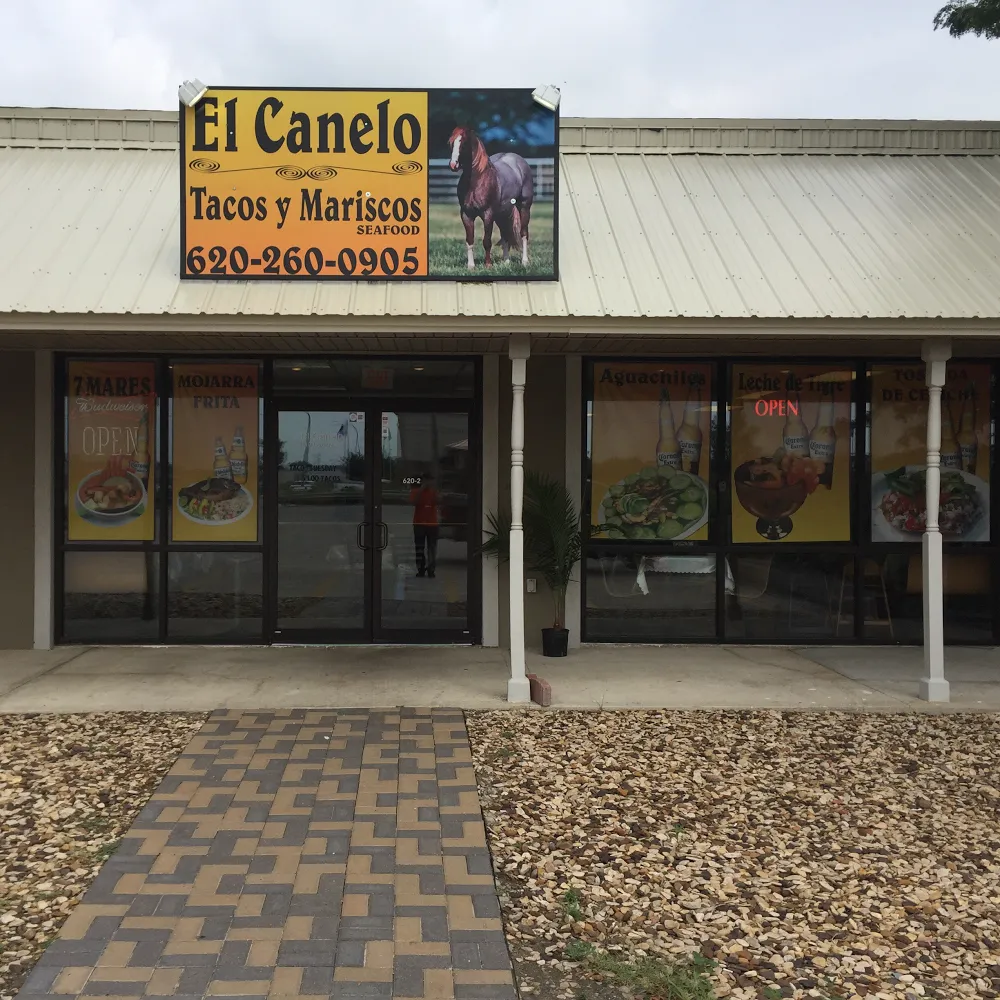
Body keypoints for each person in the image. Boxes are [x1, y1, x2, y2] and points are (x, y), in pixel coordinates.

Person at [409, 471, 440, 578]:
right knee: (419, 547)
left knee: (432, 548)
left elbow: (438, 501)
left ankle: (431, 570)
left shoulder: (434, 492)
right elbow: (414, 502)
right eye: (426, 480)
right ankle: (421, 569)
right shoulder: (416, 491)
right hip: (419, 524)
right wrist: (422, 489)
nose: (428, 482)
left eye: (430, 480)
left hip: (432, 524)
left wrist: (434, 490)